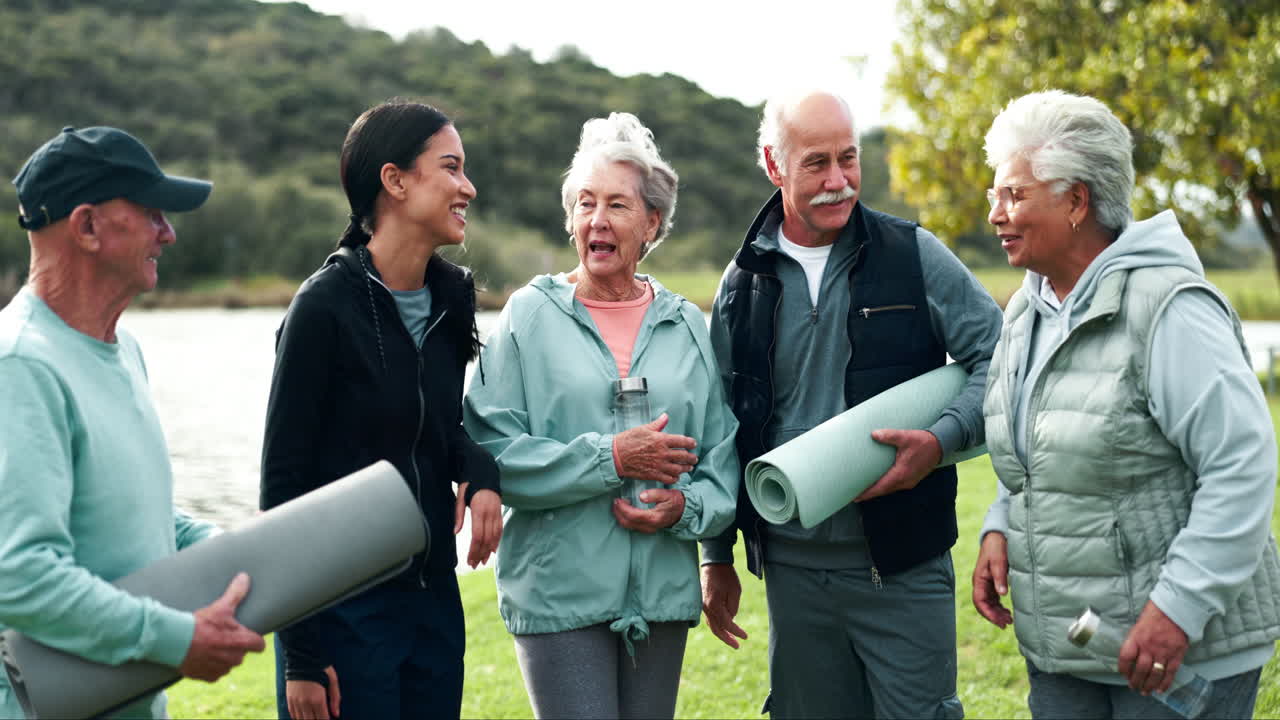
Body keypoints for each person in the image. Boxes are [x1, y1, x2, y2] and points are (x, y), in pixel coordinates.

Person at [971, 89, 1280, 719]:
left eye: (1015, 195)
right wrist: (1000, 519)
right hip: (1072, 645)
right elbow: (1034, 446)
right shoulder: (1028, 308)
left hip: (1178, 655)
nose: (996, 215)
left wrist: (1178, 609)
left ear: (1077, 200)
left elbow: (1242, 465)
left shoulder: (1169, 308)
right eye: (994, 196)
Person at [699, 89, 1004, 719]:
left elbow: (1001, 361)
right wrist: (715, 555)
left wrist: (942, 439)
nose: (839, 182)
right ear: (773, 164)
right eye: (816, 163)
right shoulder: (740, 285)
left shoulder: (915, 255)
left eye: (849, 158)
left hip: (903, 565)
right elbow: (721, 425)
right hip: (792, 573)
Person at [462, 111, 739, 719]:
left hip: (662, 596)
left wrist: (686, 508)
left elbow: (722, 459)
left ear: (653, 223)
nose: (598, 220)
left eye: (617, 205)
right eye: (585, 203)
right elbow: (490, 451)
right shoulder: (528, 316)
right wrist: (610, 458)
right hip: (558, 594)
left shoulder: (689, 325)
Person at [0, 126, 266, 719]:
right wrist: (176, 639)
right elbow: (19, 575)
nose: (168, 234)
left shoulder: (125, 350)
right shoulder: (19, 364)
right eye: (151, 214)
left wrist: (245, 557)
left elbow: (134, 510)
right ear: (88, 226)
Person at [259, 100, 503, 720]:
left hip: (432, 609)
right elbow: (283, 489)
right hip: (345, 616)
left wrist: (481, 475)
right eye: (450, 168)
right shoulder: (323, 308)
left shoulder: (451, 297)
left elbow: (436, 428)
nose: (467, 187)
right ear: (394, 181)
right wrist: (303, 658)